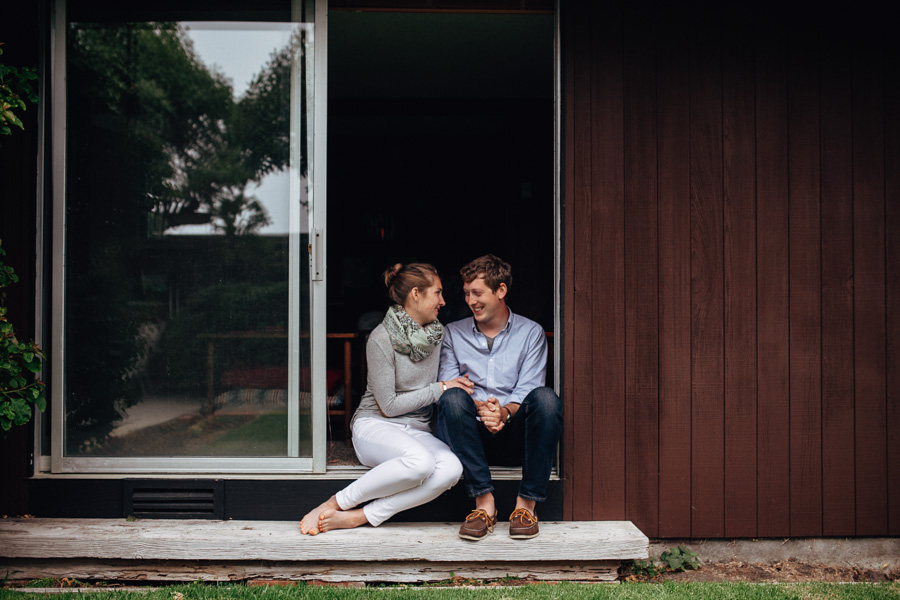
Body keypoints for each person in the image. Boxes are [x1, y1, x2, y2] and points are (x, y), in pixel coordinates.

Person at [300, 263, 471, 535]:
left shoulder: (438, 336)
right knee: (421, 463)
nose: (443, 301)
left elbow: (450, 380)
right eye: (437, 293)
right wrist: (440, 388)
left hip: (417, 430)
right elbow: (389, 406)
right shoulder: (381, 338)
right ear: (416, 294)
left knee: (451, 468)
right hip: (375, 425)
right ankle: (336, 502)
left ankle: (361, 516)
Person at [436, 254, 562, 541]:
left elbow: (528, 389)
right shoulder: (453, 334)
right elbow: (450, 385)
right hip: (470, 435)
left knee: (546, 399)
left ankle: (525, 507)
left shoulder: (530, 332)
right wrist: (485, 409)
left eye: (477, 293)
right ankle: (484, 504)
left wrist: (503, 413)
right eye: (467, 293)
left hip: (516, 434)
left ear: (501, 291)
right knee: (452, 397)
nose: (470, 300)